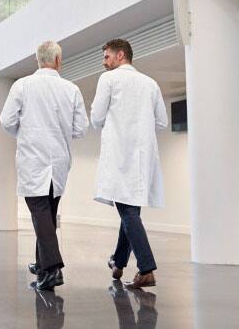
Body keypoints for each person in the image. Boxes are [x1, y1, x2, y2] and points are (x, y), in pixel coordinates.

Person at [0, 41, 89, 291]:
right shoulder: (71, 89)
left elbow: (6, 121)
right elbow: (80, 128)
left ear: (37, 60)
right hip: (59, 163)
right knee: (47, 215)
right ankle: (42, 265)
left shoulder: (22, 85)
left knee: (40, 214)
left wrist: (24, 132)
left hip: (33, 160)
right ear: (58, 61)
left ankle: (52, 269)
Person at [90, 39, 167, 289]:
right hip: (142, 158)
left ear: (120, 55)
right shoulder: (150, 83)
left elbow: (97, 117)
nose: (104, 62)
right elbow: (162, 122)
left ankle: (146, 269)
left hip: (120, 155)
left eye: (106, 57)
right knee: (130, 211)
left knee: (128, 212)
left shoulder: (109, 80)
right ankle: (118, 260)